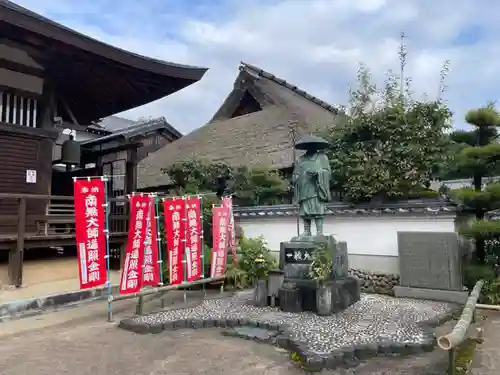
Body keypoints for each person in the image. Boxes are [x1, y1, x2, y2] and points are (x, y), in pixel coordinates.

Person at [292, 136, 331, 237]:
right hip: (304, 187)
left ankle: (319, 231)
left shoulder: (322, 158)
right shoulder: (300, 159)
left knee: (317, 209)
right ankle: (307, 230)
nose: (311, 147)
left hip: (316, 187)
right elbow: (296, 173)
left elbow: (327, 172)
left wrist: (318, 173)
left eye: (313, 145)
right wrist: (295, 178)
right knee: (305, 211)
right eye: (308, 146)